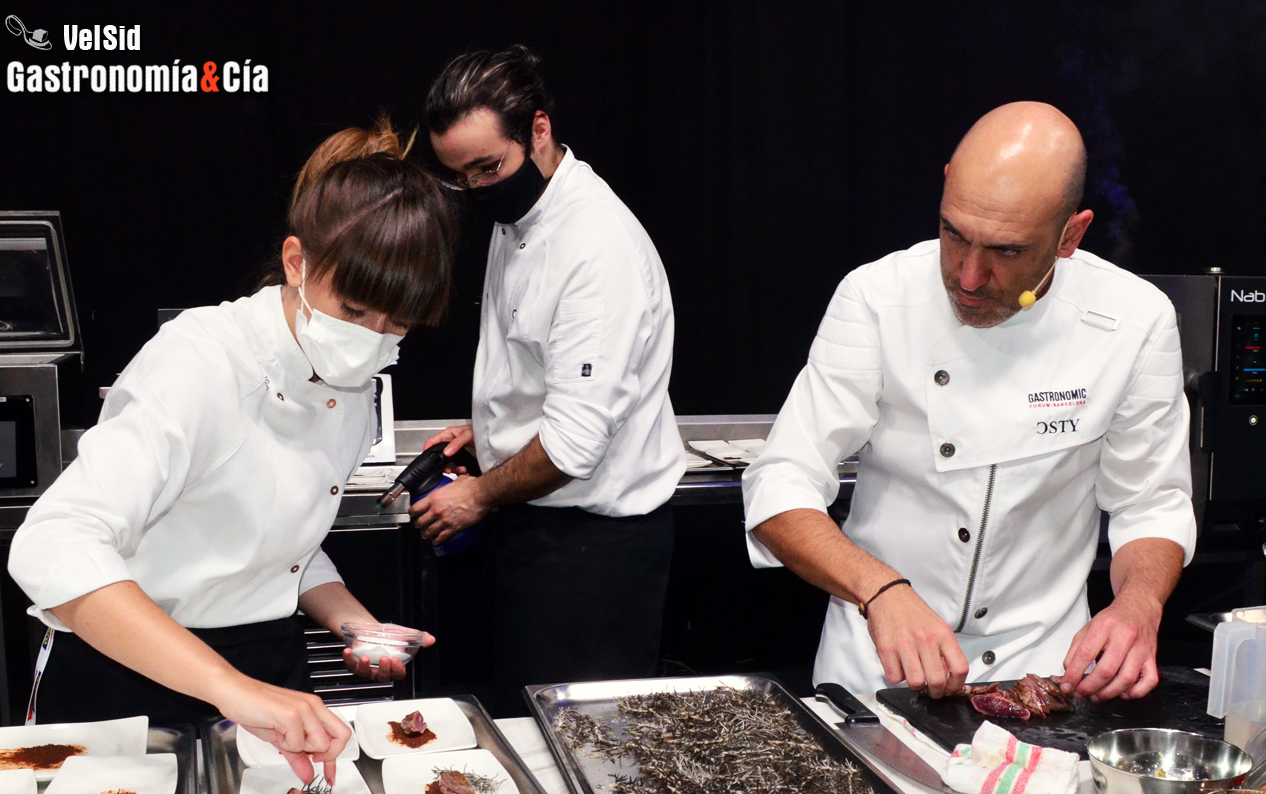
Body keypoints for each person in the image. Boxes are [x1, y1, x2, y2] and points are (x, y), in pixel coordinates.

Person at [8, 119, 454, 781]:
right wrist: (229, 687)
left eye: (398, 324)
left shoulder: (353, 392)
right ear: (298, 262)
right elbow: (52, 544)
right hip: (126, 672)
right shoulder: (200, 363)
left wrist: (354, 622)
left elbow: (274, 540)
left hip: (267, 665)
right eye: (356, 310)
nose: (373, 340)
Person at [742, 101, 1196, 702]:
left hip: (1043, 677)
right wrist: (881, 591)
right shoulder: (877, 299)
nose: (969, 276)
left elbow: (1152, 503)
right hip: (877, 669)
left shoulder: (1135, 321)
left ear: (1071, 235)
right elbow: (780, 484)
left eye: (1007, 251)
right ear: (947, 183)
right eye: (953, 234)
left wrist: (1138, 605)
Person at [413, 45, 686, 715]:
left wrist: (477, 495)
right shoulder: (523, 214)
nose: (477, 189)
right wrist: (495, 432)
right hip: (540, 533)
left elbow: (571, 447)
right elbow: (548, 371)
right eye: (460, 176)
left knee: (580, 753)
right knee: (525, 736)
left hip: (595, 557)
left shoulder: (595, 247)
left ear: (538, 129)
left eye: (487, 168)